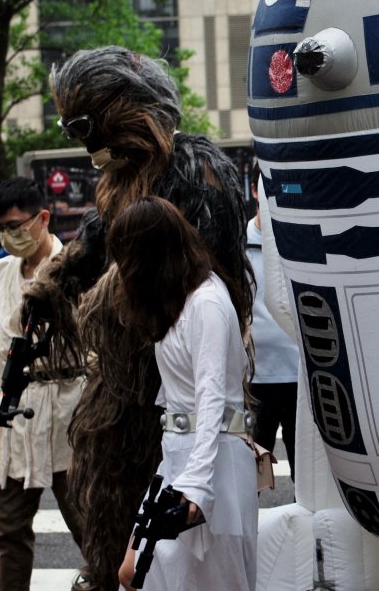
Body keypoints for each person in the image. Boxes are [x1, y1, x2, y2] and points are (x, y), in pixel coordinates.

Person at [24, 46, 253, 588]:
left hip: (178, 380)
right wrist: (53, 283)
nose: (83, 141)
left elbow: (195, 269)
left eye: (85, 125)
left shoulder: (194, 171)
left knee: (196, 560)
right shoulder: (119, 181)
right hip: (135, 382)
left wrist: (110, 295)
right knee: (109, 489)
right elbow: (95, 241)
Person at [112, 198, 258, 591]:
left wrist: (197, 483)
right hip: (182, 458)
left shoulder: (206, 303)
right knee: (135, 574)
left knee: (212, 583)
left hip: (213, 465)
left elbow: (211, 398)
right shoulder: (182, 300)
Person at [0, 178, 91, 591]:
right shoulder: (2, 272)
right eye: (1, 229)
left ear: (43, 218)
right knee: (9, 528)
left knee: (87, 523)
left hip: (67, 409)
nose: (9, 236)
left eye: (16, 226)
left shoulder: (76, 267)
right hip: (13, 413)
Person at [246, 168, 298, 479]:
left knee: (303, 475)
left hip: (298, 376)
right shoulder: (237, 246)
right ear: (255, 191)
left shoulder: (297, 240)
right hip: (255, 379)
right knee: (254, 474)